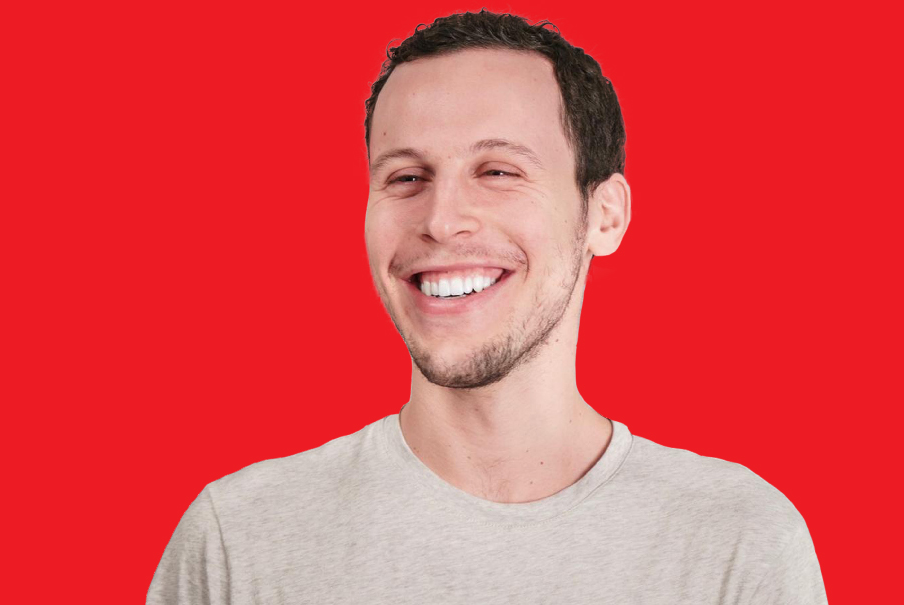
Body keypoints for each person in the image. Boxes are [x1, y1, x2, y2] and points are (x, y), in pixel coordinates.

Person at [147, 9, 827, 604]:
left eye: (498, 171)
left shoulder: (737, 541)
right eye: (405, 177)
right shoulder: (238, 539)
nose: (441, 220)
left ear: (605, 215)